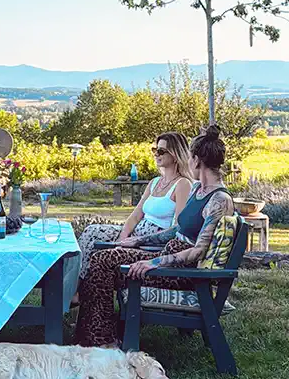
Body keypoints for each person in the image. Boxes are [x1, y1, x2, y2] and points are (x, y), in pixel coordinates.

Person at [74, 125, 234, 347]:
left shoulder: (219, 200)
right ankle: (100, 339)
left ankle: (100, 341)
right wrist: (139, 241)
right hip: (171, 259)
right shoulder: (199, 191)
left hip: (181, 273)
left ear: (197, 160)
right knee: (101, 261)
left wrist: (153, 261)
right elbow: (177, 230)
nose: (188, 162)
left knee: (103, 261)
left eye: (189, 158)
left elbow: (199, 251)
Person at [77, 132, 192, 281]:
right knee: (90, 232)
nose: (156, 154)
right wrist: (121, 240)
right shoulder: (155, 182)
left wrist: (140, 240)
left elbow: (177, 226)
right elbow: (136, 215)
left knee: (93, 234)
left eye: (161, 151)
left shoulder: (182, 184)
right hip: (135, 234)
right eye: (155, 150)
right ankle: (77, 286)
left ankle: (78, 291)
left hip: (150, 241)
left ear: (176, 154)